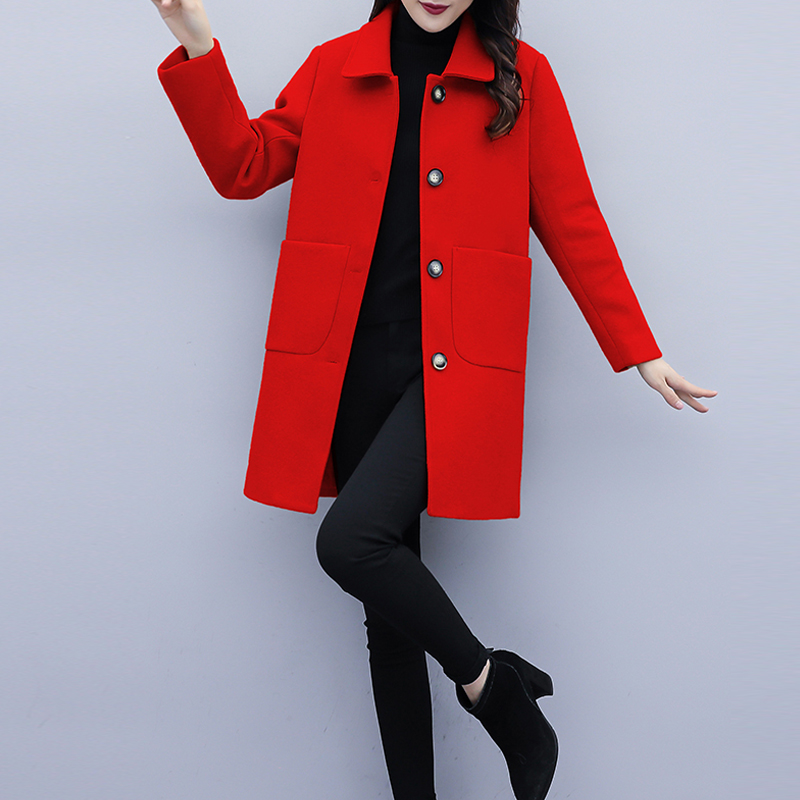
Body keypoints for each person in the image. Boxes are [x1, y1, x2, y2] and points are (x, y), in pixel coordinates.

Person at [149, 1, 717, 798]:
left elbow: (570, 214)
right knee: (387, 620)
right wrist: (198, 48)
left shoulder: (522, 77)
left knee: (349, 543)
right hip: (347, 361)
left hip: (454, 369)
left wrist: (639, 350)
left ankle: (492, 688)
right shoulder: (335, 64)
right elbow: (243, 167)